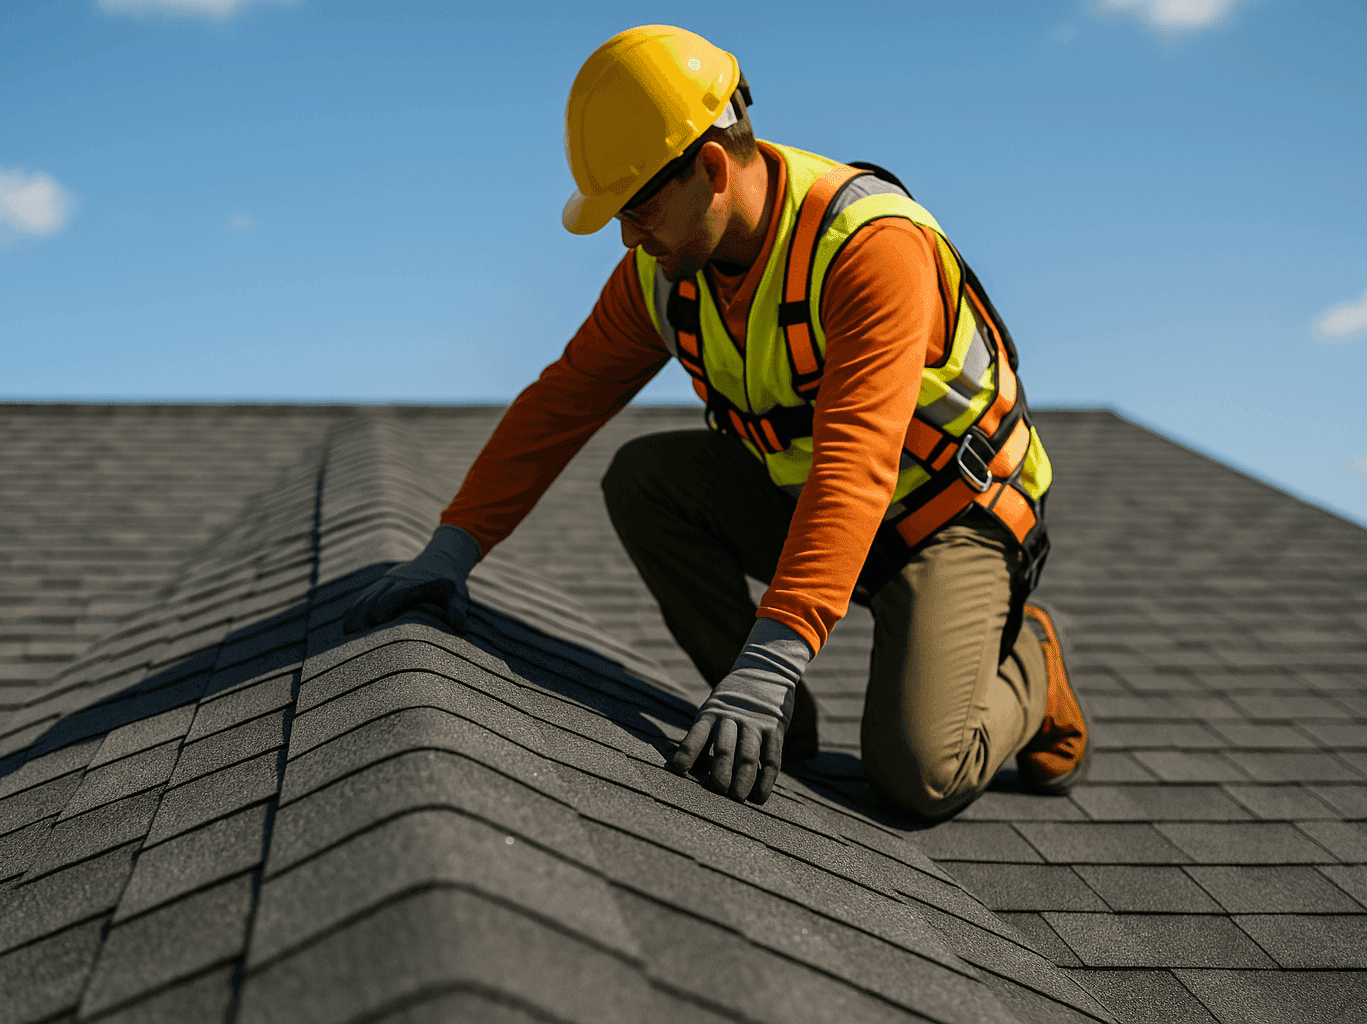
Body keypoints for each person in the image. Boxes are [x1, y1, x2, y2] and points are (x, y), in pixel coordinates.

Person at [343, 25, 1090, 819]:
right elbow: (561, 403)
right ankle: (778, 727)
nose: (628, 235)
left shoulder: (871, 249)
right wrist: (451, 549)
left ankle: (1033, 664)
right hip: (814, 506)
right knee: (646, 479)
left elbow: (857, 462)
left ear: (709, 168)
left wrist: (772, 660)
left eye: (637, 208)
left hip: (949, 518)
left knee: (918, 774)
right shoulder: (663, 275)